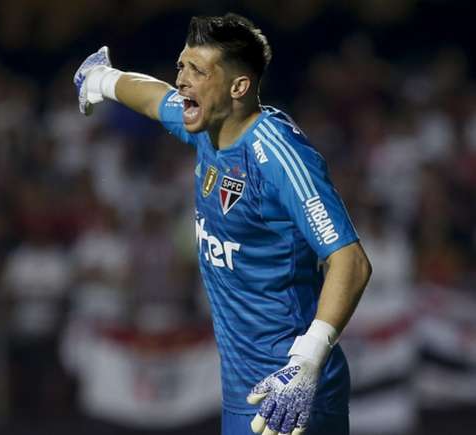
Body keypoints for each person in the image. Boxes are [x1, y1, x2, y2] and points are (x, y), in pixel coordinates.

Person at [73, 13, 371, 435]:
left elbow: (350, 260)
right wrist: (101, 78)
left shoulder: (279, 157)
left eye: (197, 71)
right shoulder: (206, 125)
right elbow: (154, 98)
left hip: (290, 387)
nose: (181, 80)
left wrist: (306, 362)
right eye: (181, 66)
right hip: (241, 392)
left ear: (238, 87)